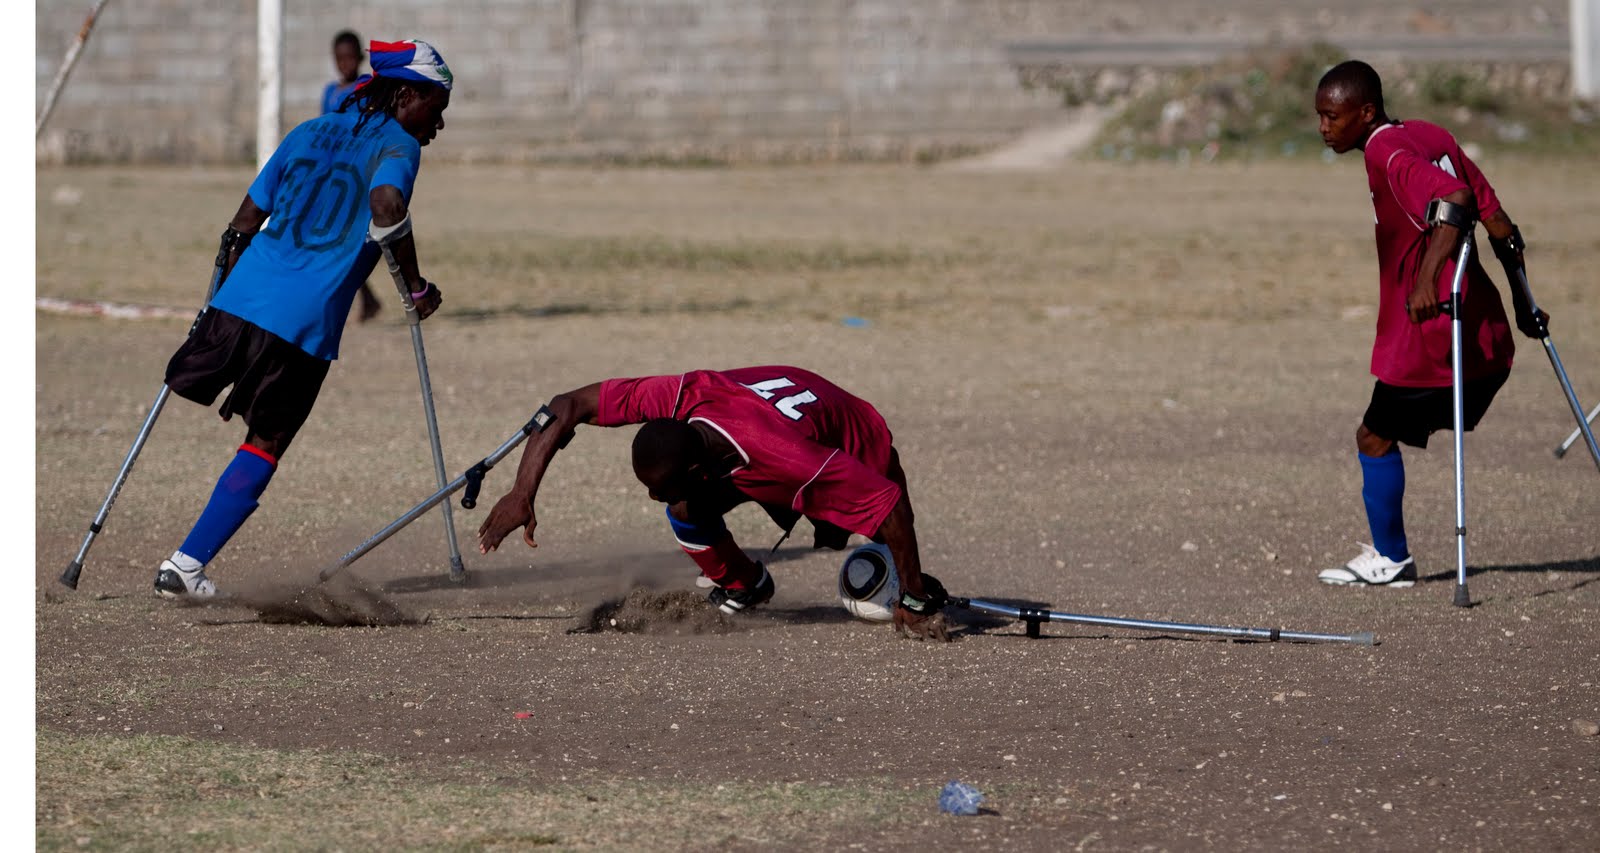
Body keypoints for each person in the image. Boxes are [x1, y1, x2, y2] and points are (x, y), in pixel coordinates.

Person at [153, 39, 455, 600]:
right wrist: (413, 287)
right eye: (437, 106)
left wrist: (215, 303)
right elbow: (388, 205)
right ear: (408, 94)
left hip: (238, 298)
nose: (440, 122)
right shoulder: (400, 146)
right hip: (302, 322)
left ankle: (185, 564)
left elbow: (241, 225)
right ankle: (185, 566)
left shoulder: (309, 130)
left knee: (197, 399)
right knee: (268, 438)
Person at [475, 366, 952, 639]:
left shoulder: (791, 460)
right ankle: (746, 586)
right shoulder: (685, 396)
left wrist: (913, 597)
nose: (649, 496)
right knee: (684, 509)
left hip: (852, 436)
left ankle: (908, 588)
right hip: (779, 417)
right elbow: (568, 403)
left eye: (658, 486)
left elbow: (889, 501)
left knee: (840, 533)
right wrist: (523, 492)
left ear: (701, 472)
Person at [1312, 60, 1547, 587]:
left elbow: (1457, 200)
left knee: (1373, 436)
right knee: (1381, 431)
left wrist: (1426, 279)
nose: (1323, 128)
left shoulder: (1383, 150)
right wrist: (1524, 304)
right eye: (1320, 117)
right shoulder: (1428, 134)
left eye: (1332, 117)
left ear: (1365, 113)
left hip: (1435, 337)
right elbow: (1501, 225)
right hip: (1488, 341)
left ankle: (1391, 560)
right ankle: (1391, 558)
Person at [322, 29, 383, 323]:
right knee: (336, 242)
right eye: (339, 58)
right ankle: (366, 298)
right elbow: (324, 130)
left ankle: (366, 298)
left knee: (345, 242)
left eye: (350, 57)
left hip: (356, 176)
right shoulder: (329, 92)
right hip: (332, 176)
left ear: (359, 58)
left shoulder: (365, 89)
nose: (345, 63)